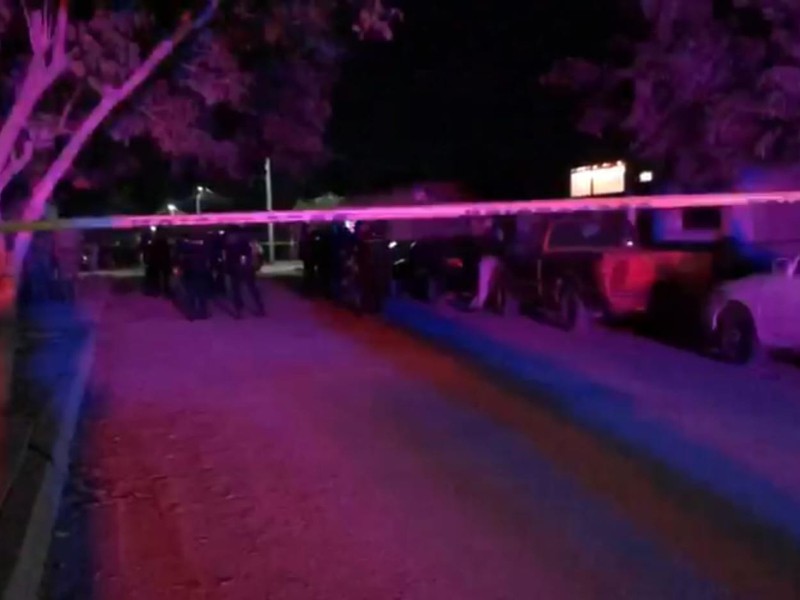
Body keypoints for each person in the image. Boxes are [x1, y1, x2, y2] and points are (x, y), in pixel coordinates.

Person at [223, 227, 265, 318]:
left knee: (237, 290)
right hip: (246, 269)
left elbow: (229, 259)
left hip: (237, 269)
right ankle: (260, 308)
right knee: (251, 288)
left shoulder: (231, 246)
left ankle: (239, 311)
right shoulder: (246, 244)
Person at [468, 218, 506, 312]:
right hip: (490, 258)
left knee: (487, 281)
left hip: (491, 259)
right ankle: (481, 301)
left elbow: (495, 245)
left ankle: (482, 302)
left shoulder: (494, 232)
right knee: (486, 281)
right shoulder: (492, 232)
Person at [176, 232, 211, 320]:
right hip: (201, 272)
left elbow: (181, 260)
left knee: (191, 293)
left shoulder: (185, 248)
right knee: (201, 293)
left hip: (189, 272)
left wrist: (180, 270)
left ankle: (192, 313)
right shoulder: (203, 248)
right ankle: (202, 312)